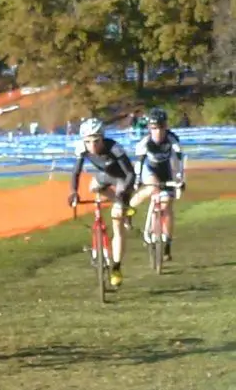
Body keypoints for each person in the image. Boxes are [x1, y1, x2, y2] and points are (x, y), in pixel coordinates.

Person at [69, 118, 137, 288]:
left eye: (96, 141)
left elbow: (130, 174)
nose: (92, 145)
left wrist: (122, 194)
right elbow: (75, 173)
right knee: (93, 187)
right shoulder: (81, 149)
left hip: (122, 179)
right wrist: (73, 192)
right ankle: (120, 205)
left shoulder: (114, 148)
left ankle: (116, 267)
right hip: (104, 176)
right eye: (88, 141)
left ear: (102, 138)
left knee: (117, 223)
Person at [129, 107, 184, 261]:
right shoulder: (145, 142)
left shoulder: (173, 140)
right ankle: (129, 208)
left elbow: (179, 162)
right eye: (154, 128)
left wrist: (180, 179)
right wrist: (137, 179)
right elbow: (139, 164)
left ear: (166, 126)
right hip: (149, 170)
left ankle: (167, 242)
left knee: (167, 206)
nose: (158, 132)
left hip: (166, 170)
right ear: (149, 129)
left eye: (161, 127)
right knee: (153, 186)